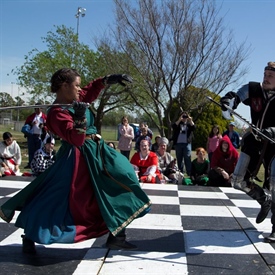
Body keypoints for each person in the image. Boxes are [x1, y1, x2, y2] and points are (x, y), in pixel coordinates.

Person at [0, 69, 151, 254]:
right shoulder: (56, 113)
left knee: (125, 177)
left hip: (99, 151)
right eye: (76, 85)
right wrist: (79, 118)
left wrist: (108, 79)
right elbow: (76, 139)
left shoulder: (76, 100)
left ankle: (117, 236)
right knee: (59, 199)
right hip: (77, 159)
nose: (80, 89)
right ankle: (31, 235)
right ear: (64, 86)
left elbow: (91, 88)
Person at [220, 61, 275, 242]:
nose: (265, 78)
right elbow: (236, 96)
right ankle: (262, 198)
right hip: (254, 140)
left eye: (270, 76)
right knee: (237, 180)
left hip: (274, 142)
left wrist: (272, 130)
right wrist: (228, 103)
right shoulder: (253, 89)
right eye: (265, 74)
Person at [171, 111, 196, 175]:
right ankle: (180, 172)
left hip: (187, 143)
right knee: (179, 158)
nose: (184, 118)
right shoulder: (178, 123)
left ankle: (189, 173)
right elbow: (173, 126)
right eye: (183, 116)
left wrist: (190, 120)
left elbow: (194, 127)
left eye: (186, 116)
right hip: (178, 143)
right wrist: (179, 120)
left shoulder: (189, 124)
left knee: (187, 157)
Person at [23, 104, 47, 168]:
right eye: (36, 109)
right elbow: (26, 125)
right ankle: (30, 163)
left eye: (39, 108)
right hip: (31, 135)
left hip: (40, 136)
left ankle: (37, 163)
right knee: (31, 150)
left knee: (38, 150)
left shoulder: (44, 117)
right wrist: (32, 124)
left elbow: (48, 126)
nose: (37, 110)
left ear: (41, 109)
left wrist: (43, 126)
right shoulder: (31, 117)